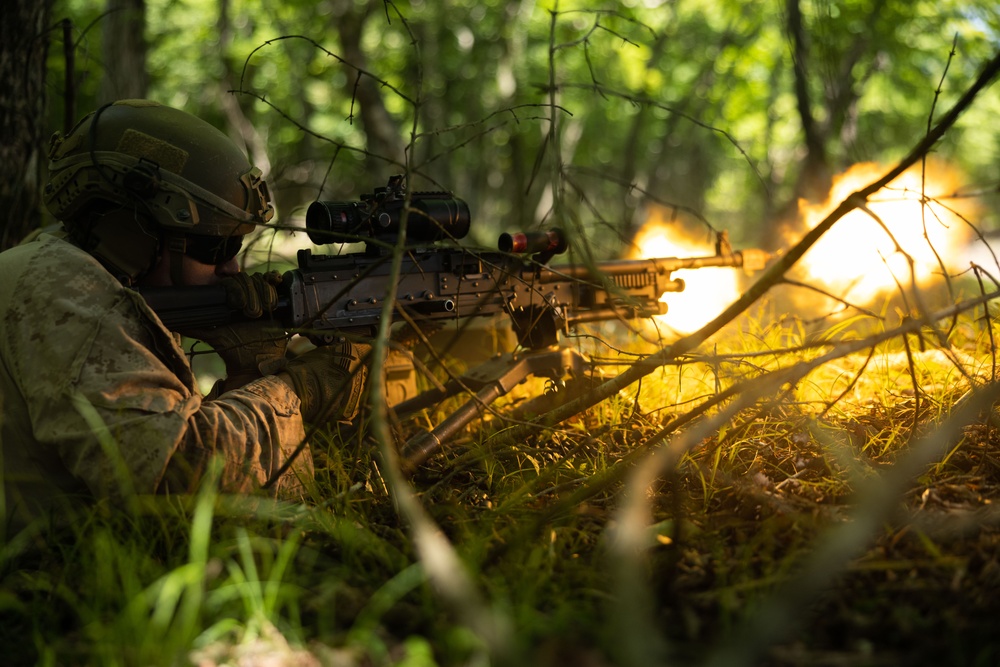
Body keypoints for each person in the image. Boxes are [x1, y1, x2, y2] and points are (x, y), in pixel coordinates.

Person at [0, 99, 367, 531]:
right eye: (215, 248)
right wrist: (294, 390)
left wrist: (251, 368)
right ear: (133, 232)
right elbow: (174, 478)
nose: (232, 268)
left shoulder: (50, 266)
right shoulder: (69, 297)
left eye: (237, 247)